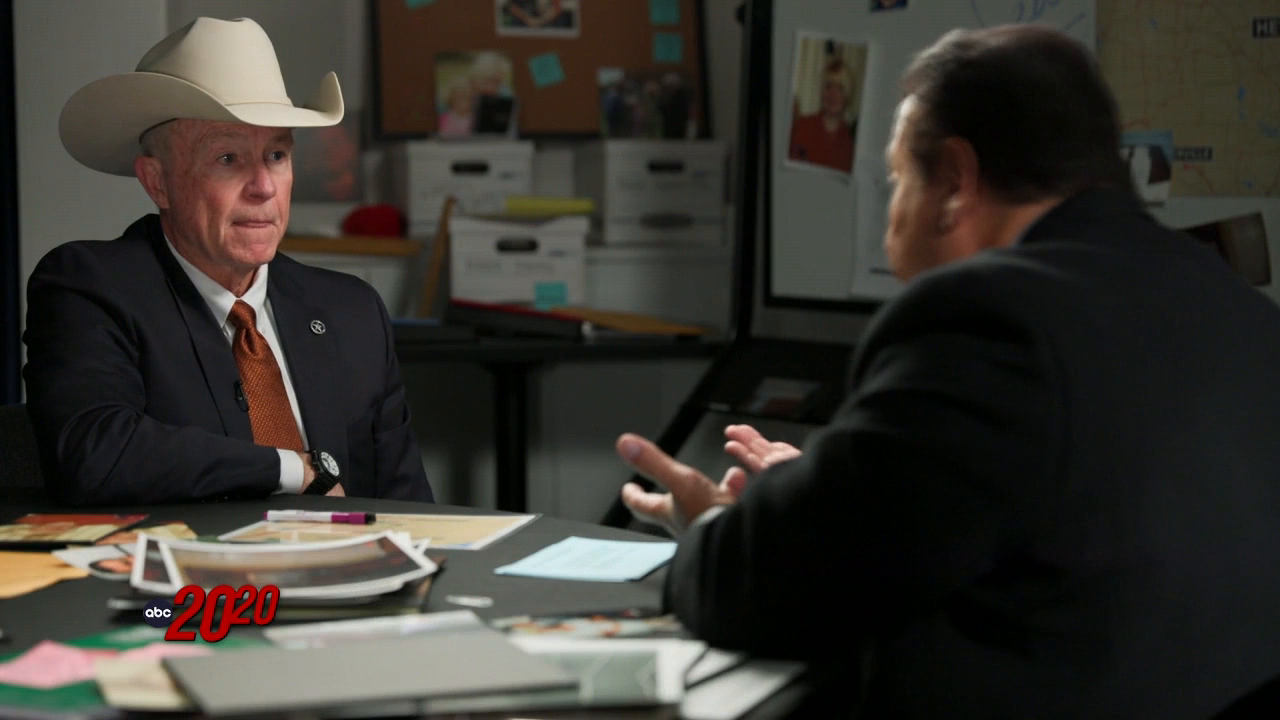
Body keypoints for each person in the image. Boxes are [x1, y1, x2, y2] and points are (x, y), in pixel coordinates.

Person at [614, 24, 1280, 719]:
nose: (890, 223)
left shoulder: (987, 314)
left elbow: (766, 588)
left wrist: (713, 526)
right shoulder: (1235, 306)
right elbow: (1069, 514)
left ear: (957, 183)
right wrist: (831, 489)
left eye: (899, 179)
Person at [24, 17, 434, 506]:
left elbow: (411, 512)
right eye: (227, 159)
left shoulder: (353, 310)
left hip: (349, 557)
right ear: (157, 182)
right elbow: (95, 453)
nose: (263, 187)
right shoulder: (89, 287)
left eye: (277, 155)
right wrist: (291, 469)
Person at [788, 56, 858, 174]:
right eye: (828, 86)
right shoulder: (802, 126)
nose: (832, 94)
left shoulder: (852, 141)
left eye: (840, 88)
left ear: (847, 95)